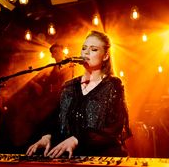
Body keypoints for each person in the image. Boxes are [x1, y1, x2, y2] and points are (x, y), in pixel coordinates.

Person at [26, 30, 132, 158]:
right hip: (74, 158)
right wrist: (47, 136)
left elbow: (113, 128)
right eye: (84, 48)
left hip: (104, 157)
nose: (86, 52)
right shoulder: (69, 86)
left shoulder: (112, 84)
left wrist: (77, 140)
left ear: (105, 56)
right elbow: (56, 119)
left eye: (93, 49)